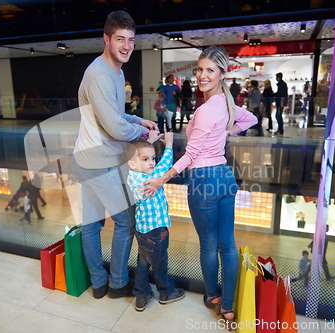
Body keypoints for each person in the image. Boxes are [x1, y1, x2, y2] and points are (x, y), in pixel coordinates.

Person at [139, 46, 257, 326]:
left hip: (204, 181)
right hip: (225, 178)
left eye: (210, 71)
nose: (203, 75)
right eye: (200, 69)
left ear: (221, 74)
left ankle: (213, 297)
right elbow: (250, 119)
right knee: (227, 245)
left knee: (209, 245)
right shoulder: (226, 105)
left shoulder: (206, 110)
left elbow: (190, 156)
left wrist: (161, 179)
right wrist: (225, 130)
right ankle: (228, 307)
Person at [71, 10, 158, 300]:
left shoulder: (115, 71)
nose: (126, 46)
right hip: (98, 161)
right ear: (106, 39)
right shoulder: (99, 73)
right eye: (120, 39)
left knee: (92, 224)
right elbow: (113, 126)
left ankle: (98, 284)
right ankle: (118, 284)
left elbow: (113, 113)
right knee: (126, 222)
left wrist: (138, 120)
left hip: (89, 158)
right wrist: (144, 135)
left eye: (131, 40)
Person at [126, 132, 185, 312]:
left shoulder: (132, 175)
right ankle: (166, 292)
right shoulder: (149, 179)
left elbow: (133, 158)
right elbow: (166, 165)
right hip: (156, 231)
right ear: (133, 163)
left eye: (153, 158)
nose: (152, 162)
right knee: (160, 264)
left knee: (143, 264)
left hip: (142, 231)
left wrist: (148, 143)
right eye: (145, 159)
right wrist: (169, 143)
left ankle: (141, 295)